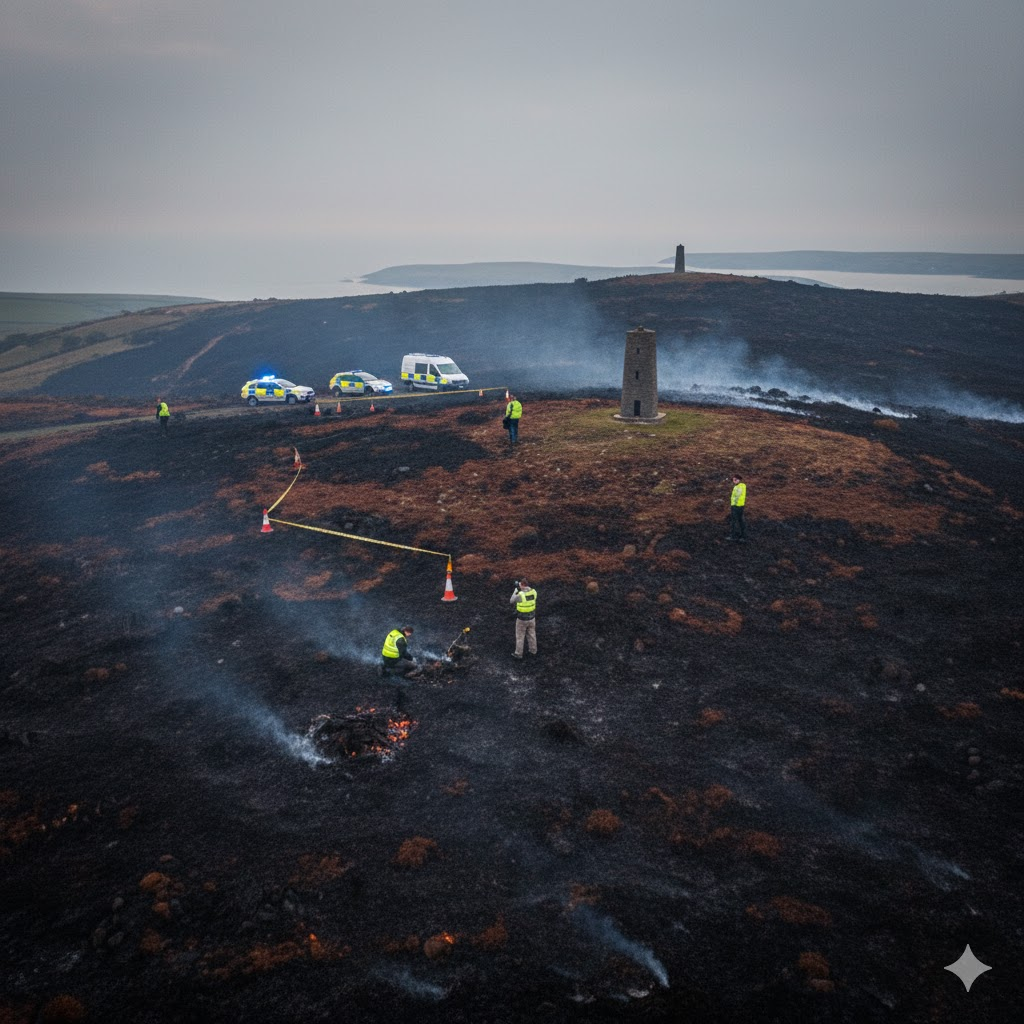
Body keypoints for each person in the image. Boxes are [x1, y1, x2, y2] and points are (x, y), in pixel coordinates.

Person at [510, 578, 537, 658]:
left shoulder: (520, 595)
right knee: (532, 635)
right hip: (532, 618)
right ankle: (533, 651)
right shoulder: (534, 592)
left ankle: (518, 654)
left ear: (522, 585)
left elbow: (511, 601)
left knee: (520, 637)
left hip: (522, 620)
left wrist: (515, 591)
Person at [729, 475, 747, 541]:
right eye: (733, 480)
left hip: (736, 506)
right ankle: (742, 536)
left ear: (739, 480)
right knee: (741, 521)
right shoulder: (742, 486)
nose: (734, 481)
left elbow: (737, 496)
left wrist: (734, 504)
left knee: (734, 521)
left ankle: (733, 536)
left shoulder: (738, 487)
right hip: (740, 506)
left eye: (735, 479)